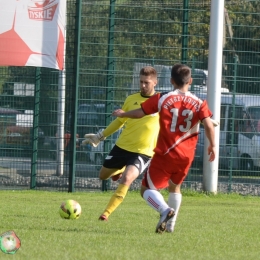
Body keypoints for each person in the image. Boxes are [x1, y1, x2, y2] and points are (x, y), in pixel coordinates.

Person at [112, 63, 216, 233]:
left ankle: (165, 210)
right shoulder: (199, 103)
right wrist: (212, 145)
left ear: (171, 81)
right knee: (175, 188)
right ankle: (170, 226)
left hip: (166, 153)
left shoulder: (163, 98)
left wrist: (124, 114)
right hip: (186, 156)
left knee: (146, 189)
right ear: (190, 80)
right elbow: (209, 126)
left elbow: (141, 112)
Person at [82, 66, 160, 221]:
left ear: (155, 82)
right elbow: (119, 122)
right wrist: (100, 136)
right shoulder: (131, 99)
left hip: (143, 152)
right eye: (141, 82)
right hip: (122, 146)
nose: (143, 85)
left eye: (147, 82)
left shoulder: (160, 101)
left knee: (127, 179)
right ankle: (120, 169)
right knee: (103, 176)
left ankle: (106, 213)